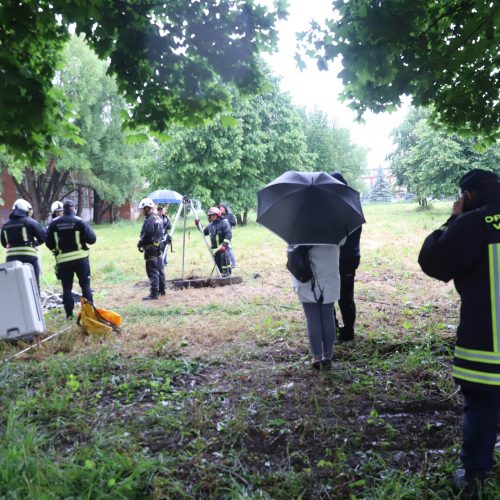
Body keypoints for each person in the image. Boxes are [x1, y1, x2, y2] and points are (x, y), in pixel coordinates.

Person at [418, 168, 500, 496]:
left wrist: (453, 220)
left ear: (468, 196)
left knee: (482, 403)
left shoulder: (472, 224)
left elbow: (433, 261)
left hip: (486, 343)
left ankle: (474, 476)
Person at [288, 243, 343, 369]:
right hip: (330, 276)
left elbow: (291, 250)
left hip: (306, 278)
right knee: (327, 315)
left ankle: (317, 357)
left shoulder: (297, 226)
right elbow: (342, 241)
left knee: (312, 318)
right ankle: (327, 357)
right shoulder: (334, 226)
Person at [46, 199, 96, 318]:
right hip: (81, 259)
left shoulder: (54, 223)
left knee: (67, 289)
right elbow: (92, 239)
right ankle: (90, 314)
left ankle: (69, 315)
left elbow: (48, 243)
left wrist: (56, 251)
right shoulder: (80, 221)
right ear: (73, 208)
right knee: (85, 286)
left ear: (63, 209)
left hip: (63, 261)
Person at [329, 172, 362, 342]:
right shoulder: (353, 203)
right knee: (346, 295)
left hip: (339, 257)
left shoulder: (335, 207)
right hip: (351, 257)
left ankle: (337, 328)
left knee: (332, 294)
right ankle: (347, 329)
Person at [0, 199, 46, 290]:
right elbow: (43, 237)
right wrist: (34, 243)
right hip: (29, 258)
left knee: (14, 285)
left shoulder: (6, 225)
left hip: (11, 258)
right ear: (25, 210)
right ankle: (34, 304)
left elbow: (4, 243)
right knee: (33, 284)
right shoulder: (30, 222)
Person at [137, 198, 165, 300]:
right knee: (160, 269)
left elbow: (147, 234)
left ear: (146, 208)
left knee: (152, 271)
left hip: (151, 249)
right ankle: (162, 289)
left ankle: (154, 293)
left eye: (142, 209)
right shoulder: (158, 218)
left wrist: (140, 243)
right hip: (158, 247)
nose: (141, 211)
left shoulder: (150, 220)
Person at [195, 207, 232, 276]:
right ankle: (221, 274)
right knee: (218, 263)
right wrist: (198, 225)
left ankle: (227, 273)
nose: (212, 217)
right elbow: (203, 232)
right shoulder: (210, 225)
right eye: (211, 216)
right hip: (215, 249)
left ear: (218, 215)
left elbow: (228, 234)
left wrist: (224, 245)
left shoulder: (224, 222)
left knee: (224, 257)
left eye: (214, 215)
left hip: (224, 247)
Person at [219, 203, 237, 268]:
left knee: (228, 249)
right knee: (222, 250)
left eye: (222, 208)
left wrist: (228, 221)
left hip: (228, 234)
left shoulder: (230, 215)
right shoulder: (219, 216)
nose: (221, 209)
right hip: (220, 235)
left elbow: (234, 223)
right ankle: (224, 264)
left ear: (225, 209)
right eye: (220, 208)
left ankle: (234, 263)